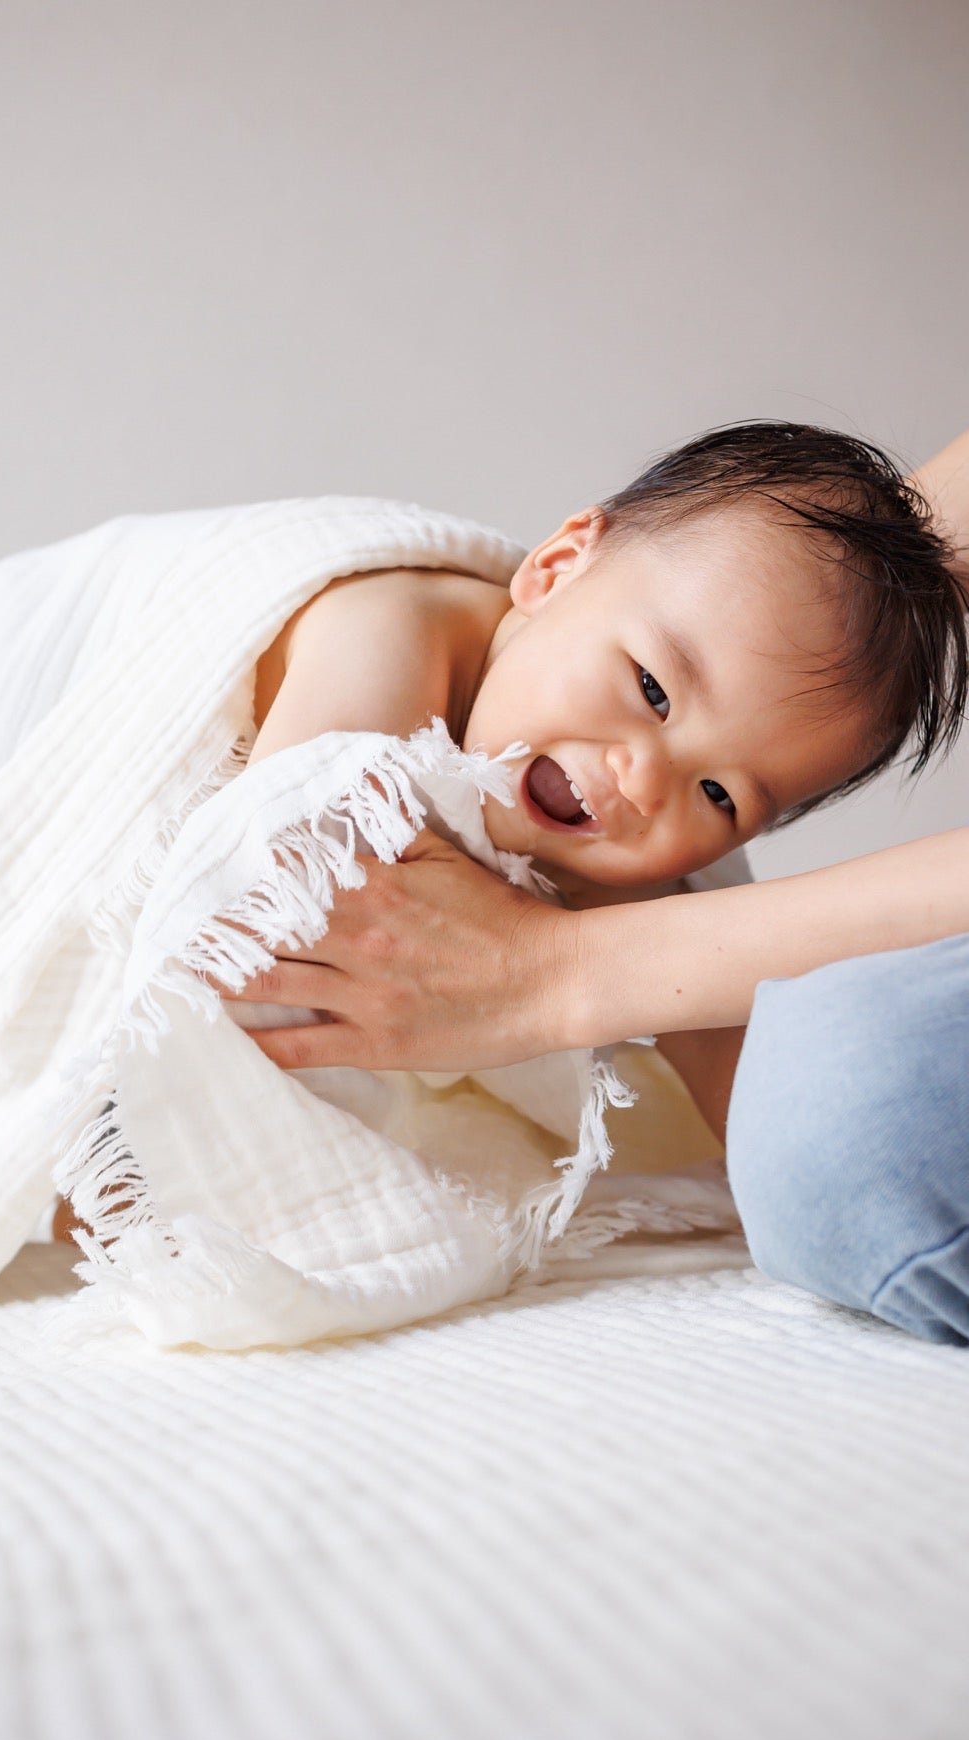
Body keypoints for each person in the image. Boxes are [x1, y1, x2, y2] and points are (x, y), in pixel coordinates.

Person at [229, 426, 969, 1345]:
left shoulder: (633, 864)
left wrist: (604, 930)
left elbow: (726, 1067)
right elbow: (269, 893)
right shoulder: (391, 629)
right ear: (556, 567)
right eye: (653, 691)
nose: (646, 780)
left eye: (719, 795)